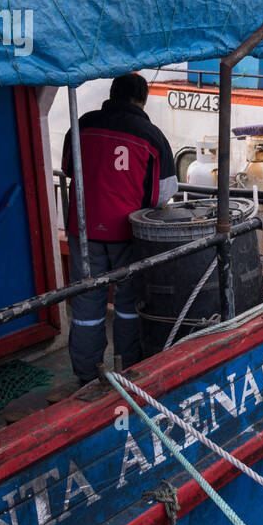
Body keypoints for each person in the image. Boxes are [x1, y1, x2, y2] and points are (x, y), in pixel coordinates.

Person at [61, 73, 176, 383]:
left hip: (83, 231)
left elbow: (70, 169)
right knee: (127, 305)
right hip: (127, 233)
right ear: (142, 99)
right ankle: (126, 370)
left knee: (86, 304)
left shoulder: (81, 124)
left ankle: (86, 377)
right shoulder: (152, 135)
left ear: (112, 93)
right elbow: (164, 193)